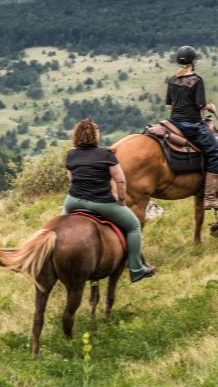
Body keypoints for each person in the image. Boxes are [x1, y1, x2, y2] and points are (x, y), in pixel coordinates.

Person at [63, 119, 157, 282]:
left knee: (56, 226)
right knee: (134, 226)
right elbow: (120, 180)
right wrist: (121, 200)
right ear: (95, 136)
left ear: (76, 136)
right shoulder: (106, 154)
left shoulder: (71, 155)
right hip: (101, 202)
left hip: (73, 201)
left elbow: (71, 179)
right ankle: (136, 269)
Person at [165, 45, 218, 210]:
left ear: (179, 62)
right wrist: (210, 106)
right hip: (191, 125)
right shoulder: (197, 80)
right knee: (217, 153)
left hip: (173, 123)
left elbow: (169, 106)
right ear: (193, 61)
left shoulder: (172, 79)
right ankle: (210, 198)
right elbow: (200, 104)